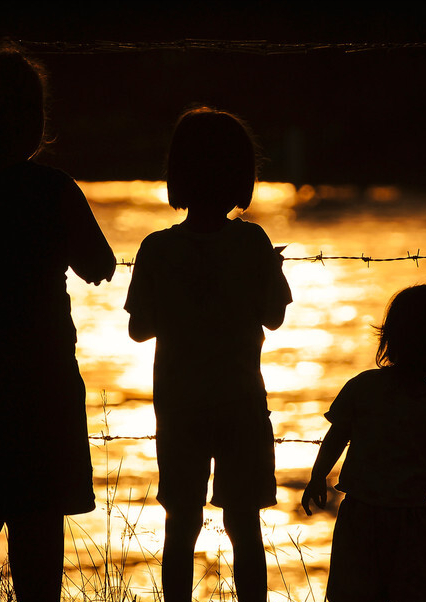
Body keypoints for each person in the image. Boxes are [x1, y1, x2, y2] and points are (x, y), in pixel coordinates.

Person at [0, 46, 115, 602]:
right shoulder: (52, 189)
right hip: (42, 385)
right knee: (37, 530)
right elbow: (99, 267)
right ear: (35, 122)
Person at [125, 106, 291, 602]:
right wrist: (272, 269)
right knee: (245, 525)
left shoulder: (156, 249)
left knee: (182, 523)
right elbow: (274, 317)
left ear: (177, 175)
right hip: (241, 403)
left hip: (178, 406)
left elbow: (139, 330)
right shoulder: (253, 242)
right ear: (243, 177)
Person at [301, 284, 426, 602]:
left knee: (354, 592)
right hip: (411, 520)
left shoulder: (363, 387)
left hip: (361, 517)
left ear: (391, 337)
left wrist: (317, 475)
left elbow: (337, 435)